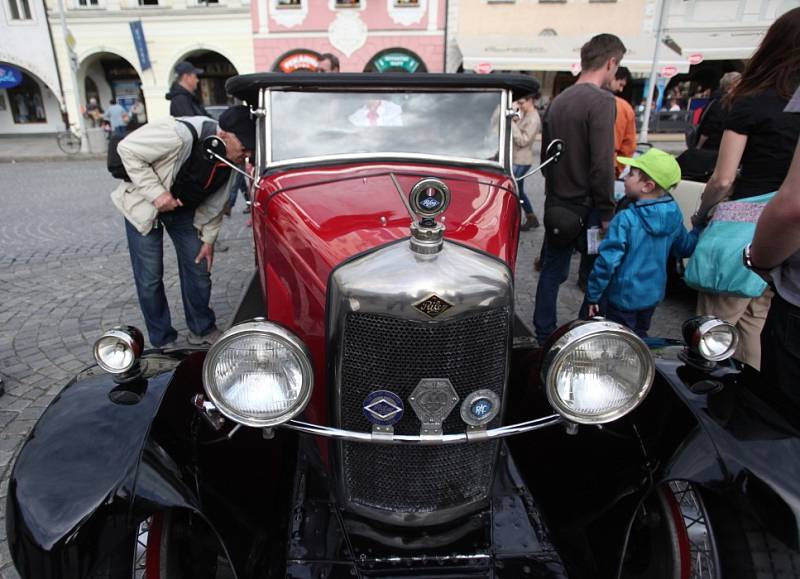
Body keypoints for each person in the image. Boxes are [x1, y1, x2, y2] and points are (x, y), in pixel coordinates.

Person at [692, 6, 800, 370]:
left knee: (713, 329)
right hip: (786, 238)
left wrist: (702, 213)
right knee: (754, 322)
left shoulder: (751, 100)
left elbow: (722, 179)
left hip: (741, 231)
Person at [111, 106, 255, 348]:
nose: (247, 154)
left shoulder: (231, 158)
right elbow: (127, 149)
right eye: (244, 148)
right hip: (145, 206)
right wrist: (157, 194)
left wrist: (208, 241)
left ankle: (202, 328)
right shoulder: (178, 134)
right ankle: (163, 339)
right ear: (225, 137)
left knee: (199, 269)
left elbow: (215, 205)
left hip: (185, 212)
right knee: (150, 278)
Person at [532, 33, 625, 345]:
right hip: (588, 206)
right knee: (598, 269)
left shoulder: (558, 101)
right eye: (617, 67)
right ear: (610, 62)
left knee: (552, 271)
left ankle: (544, 332)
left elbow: (547, 157)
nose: (615, 74)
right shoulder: (601, 101)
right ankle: (587, 330)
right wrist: (608, 210)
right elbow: (602, 162)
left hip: (559, 202)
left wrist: (554, 193)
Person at [585, 149, 700, 338]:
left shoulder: (625, 219)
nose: (626, 177)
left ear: (647, 186)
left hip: (622, 298)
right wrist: (697, 229)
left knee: (618, 340)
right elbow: (685, 247)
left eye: (631, 174)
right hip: (652, 295)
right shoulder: (674, 216)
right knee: (639, 336)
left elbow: (607, 262)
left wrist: (593, 294)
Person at [749, 85, 800, 409]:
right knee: (752, 318)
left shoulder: (749, 104)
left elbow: (793, 205)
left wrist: (761, 260)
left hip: (792, 298)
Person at [512, 92, 541, 230]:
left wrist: (512, 124)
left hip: (522, 160)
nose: (520, 105)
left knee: (517, 190)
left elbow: (523, 140)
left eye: (522, 103)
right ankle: (531, 217)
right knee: (519, 191)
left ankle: (529, 217)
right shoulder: (526, 115)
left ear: (531, 101)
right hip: (517, 158)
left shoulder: (533, 118)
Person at [696, 71, 741, 150]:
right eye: (739, 84)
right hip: (714, 146)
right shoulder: (722, 102)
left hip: (718, 145)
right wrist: (699, 146)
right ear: (732, 85)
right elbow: (709, 127)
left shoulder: (717, 99)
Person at [610, 66, 636, 178]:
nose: (621, 90)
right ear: (612, 77)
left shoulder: (585, 100)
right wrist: (617, 168)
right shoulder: (624, 108)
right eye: (620, 84)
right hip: (609, 165)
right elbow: (628, 146)